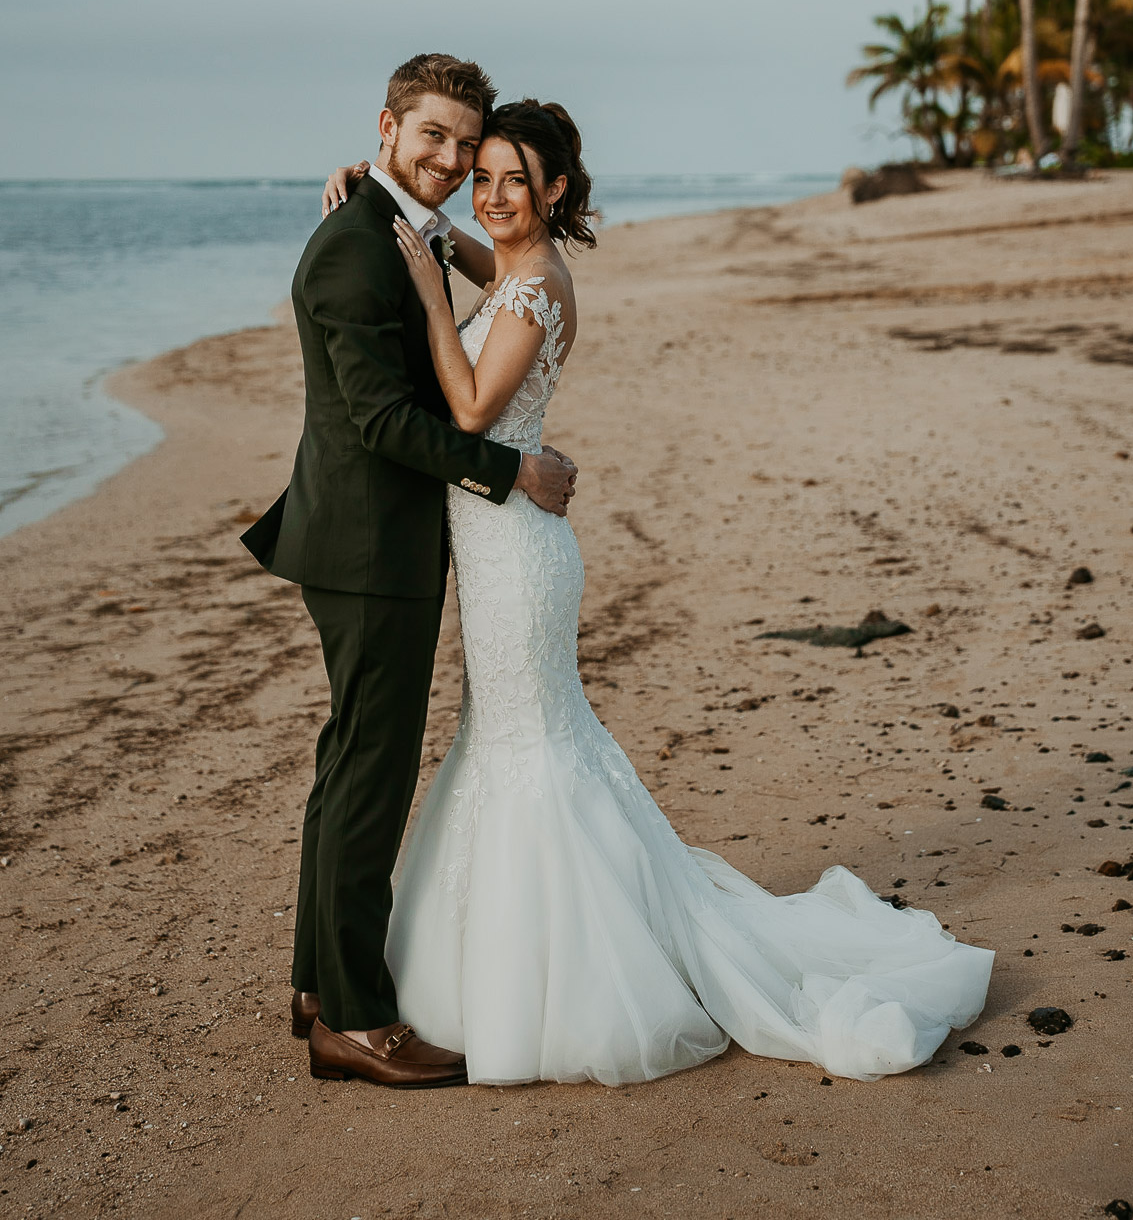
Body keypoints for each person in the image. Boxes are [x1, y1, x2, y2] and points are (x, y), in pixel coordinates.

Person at [320, 98, 994, 1086]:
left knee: (532, 750)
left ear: (557, 189)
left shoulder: (539, 287)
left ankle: (562, 980)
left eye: (518, 178)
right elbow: (476, 253)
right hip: (504, 542)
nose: (496, 194)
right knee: (514, 741)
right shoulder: (513, 264)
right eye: (486, 174)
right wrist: (381, 195)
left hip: (517, 555)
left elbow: (467, 406)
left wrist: (424, 286)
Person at [241, 54, 577, 1089]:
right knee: (371, 776)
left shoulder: (397, 226)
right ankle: (353, 1018)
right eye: (430, 136)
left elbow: (459, 269)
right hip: (367, 546)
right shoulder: (353, 250)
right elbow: (385, 419)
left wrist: (414, 212)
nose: (450, 159)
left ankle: (317, 981)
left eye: (464, 145)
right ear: (386, 126)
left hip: (379, 539)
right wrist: (512, 468)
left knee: (352, 762)